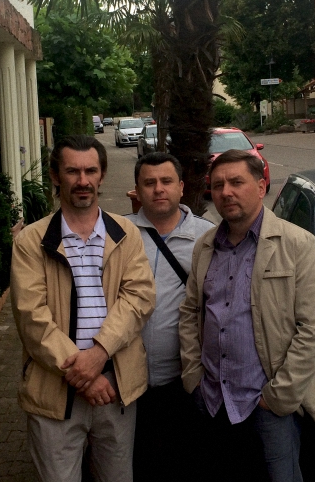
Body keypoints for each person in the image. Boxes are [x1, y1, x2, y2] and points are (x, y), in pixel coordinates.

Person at [178, 149, 315, 482]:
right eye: (218, 185)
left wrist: (277, 396)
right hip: (214, 399)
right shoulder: (204, 246)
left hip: (270, 406)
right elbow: (191, 312)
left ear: (261, 187)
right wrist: (193, 377)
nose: (226, 192)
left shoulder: (297, 244)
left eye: (236, 182)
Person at [11, 135, 155, 482]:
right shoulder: (31, 241)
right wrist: (83, 374)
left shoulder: (126, 233)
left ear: (102, 175)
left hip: (116, 387)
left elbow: (139, 298)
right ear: (55, 176)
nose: (83, 180)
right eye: (72, 171)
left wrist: (99, 354)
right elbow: (32, 318)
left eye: (90, 171)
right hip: (55, 390)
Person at [125, 152, 214, 482]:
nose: (158, 189)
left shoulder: (208, 237)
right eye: (149, 183)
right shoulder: (117, 233)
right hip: (127, 386)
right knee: (136, 466)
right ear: (137, 190)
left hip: (184, 382)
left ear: (181, 187)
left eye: (166, 181)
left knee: (183, 464)